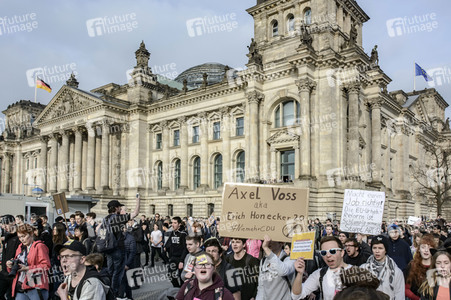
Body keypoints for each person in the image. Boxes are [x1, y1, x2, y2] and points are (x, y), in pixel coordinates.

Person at [100, 195, 141, 298]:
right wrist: (138, 200)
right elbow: (135, 213)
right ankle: (114, 294)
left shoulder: (105, 219)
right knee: (119, 273)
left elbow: (101, 234)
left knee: (111, 271)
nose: (120, 209)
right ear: (115, 208)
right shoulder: (118, 218)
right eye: (119, 207)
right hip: (118, 249)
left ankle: (110, 291)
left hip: (108, 249)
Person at [292, 236, 351, 300]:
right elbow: (296, 296)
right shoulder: (320, 274)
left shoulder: (357, 273)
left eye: (332, 251)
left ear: (342, 252)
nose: (328, 255)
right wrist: (299, 274)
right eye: (324, 252)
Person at [6, 223, 51, 300]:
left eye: (24, 236)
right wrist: (10, 266)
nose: (22, 239)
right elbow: (16, 267)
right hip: (20, 286)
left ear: (31, 234)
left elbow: (46, 266)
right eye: (19, 237)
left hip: (35, 286)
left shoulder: (39, 246)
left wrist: (27, 268)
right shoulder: (20, 247)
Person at [361, 235, 405, 299]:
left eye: (380, 248)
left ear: (386, 250)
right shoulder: (363, 269)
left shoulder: (396, 272)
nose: (377, 251)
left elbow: (399, 295)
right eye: (374, 248)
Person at [256, 234, 295, 299]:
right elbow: (261, 286)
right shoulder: (263, 261)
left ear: (281, 243)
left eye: (271, 239)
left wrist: (266, 248)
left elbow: (283, 271)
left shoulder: (289, 259)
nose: (268, 242)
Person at [405, 234, 436, 300]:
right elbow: (406, 288)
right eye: (423, 247)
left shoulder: (437, 266)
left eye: (429, 248)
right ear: (419, 249)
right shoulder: (412, 266)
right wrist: (418, 299)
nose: (426, 250)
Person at [0, 215, 21, 300]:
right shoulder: (6, 237)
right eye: (3, 224)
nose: (4, 227)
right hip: (4, 271)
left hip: (15, 273)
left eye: (7, 224)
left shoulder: (20, 237)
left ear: (14, 222)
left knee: (11, 296)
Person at [165, 216, 188, 287]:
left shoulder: (183, 234)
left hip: (181, 258)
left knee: (182, 278)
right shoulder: (172, 233)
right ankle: (177, 289)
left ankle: (182, 291)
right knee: (171, 275)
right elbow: (168, 243)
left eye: (175, 223)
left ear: (179, 224)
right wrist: (165, 247)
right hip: (173, 258)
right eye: (172, 223)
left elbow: (185, 248)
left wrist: (181, 261)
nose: (173, 224)